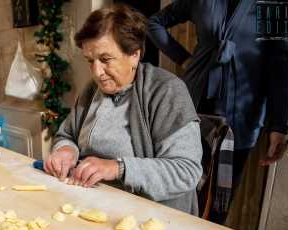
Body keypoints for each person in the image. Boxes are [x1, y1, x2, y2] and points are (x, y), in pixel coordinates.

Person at [44, 4, 203, 215]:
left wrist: (118, 168)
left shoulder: (166, 91)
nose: (97, 72)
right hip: (88, 203)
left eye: (105, 59)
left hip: (148, 215)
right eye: (90, 61)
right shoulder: (92, 90)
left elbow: (186, 171)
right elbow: (67, 134)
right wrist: (66, 150)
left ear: (134, 54)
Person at [147, 0, 288, 195]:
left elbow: (280, 69)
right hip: (192, 106)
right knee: (176, 190)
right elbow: (153, 23)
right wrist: (184, 59)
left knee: (218, 201)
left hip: (242, 117)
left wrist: (278, 126)